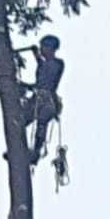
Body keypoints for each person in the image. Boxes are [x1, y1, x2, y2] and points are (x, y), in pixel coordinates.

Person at [21, 35, 64, 164]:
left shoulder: (57, 63)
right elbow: (39, 79)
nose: (42, 50)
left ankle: (36, 152)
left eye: (43, 47)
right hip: (38, 98)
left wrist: (37, 57)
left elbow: (46, 75)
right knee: (20, 120)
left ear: (51, 48)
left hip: (48, 100)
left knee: (42, 122)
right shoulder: (45, 65)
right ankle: (21, 150)